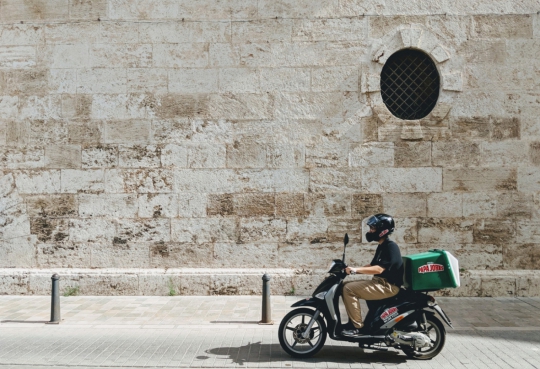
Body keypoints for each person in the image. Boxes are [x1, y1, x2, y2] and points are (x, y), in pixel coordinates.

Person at [341, 213, 403, 337]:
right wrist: (352, 269)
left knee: (348, 289)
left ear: (382, 230)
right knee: (345, 284)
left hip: (388, 286)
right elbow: (371, 265)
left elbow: (379, 269)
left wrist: (355, 270)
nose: (370, 231)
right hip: (380, 283)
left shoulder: (391, 247)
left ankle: (357, 327)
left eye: (373, 228)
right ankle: (352, 322)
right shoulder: (382, 246)